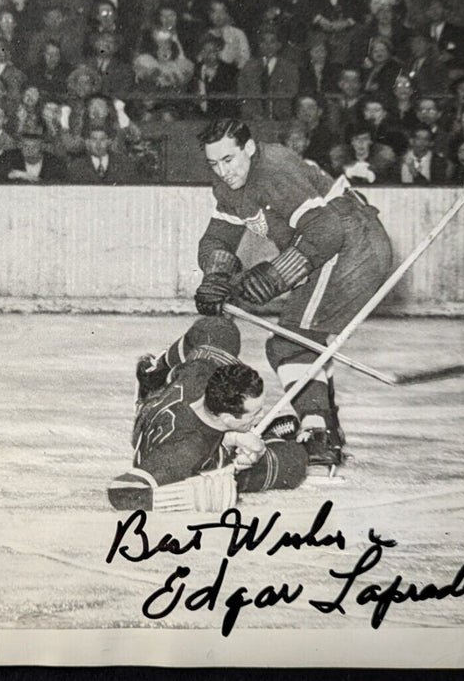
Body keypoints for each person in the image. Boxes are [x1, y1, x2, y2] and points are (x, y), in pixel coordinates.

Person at [193, 118, 392, 468]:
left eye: (229, 159)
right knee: (299, 339)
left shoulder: (273, 169)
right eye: (214, 163)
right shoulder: (230, 184)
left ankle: (318, 432)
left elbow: (327, 230)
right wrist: (215, 275)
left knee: (291, 341)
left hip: (350, 241)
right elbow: (219, 237)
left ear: (249, 149)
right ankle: (323, 426)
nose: (223, 171)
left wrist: (276, 276)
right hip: (332, 245)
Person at [109, 316, 308, 511]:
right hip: (178, 454)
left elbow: (214, 326)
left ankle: (155, 374)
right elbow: (123, 490)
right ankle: (265, 439)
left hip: (165, 405)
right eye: (255, 413)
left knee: (222, 331)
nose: (262, 413)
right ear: (227, 418)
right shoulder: (186, 450)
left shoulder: (201, 374)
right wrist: (198, 496)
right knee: (294, 461)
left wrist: (232, 436)